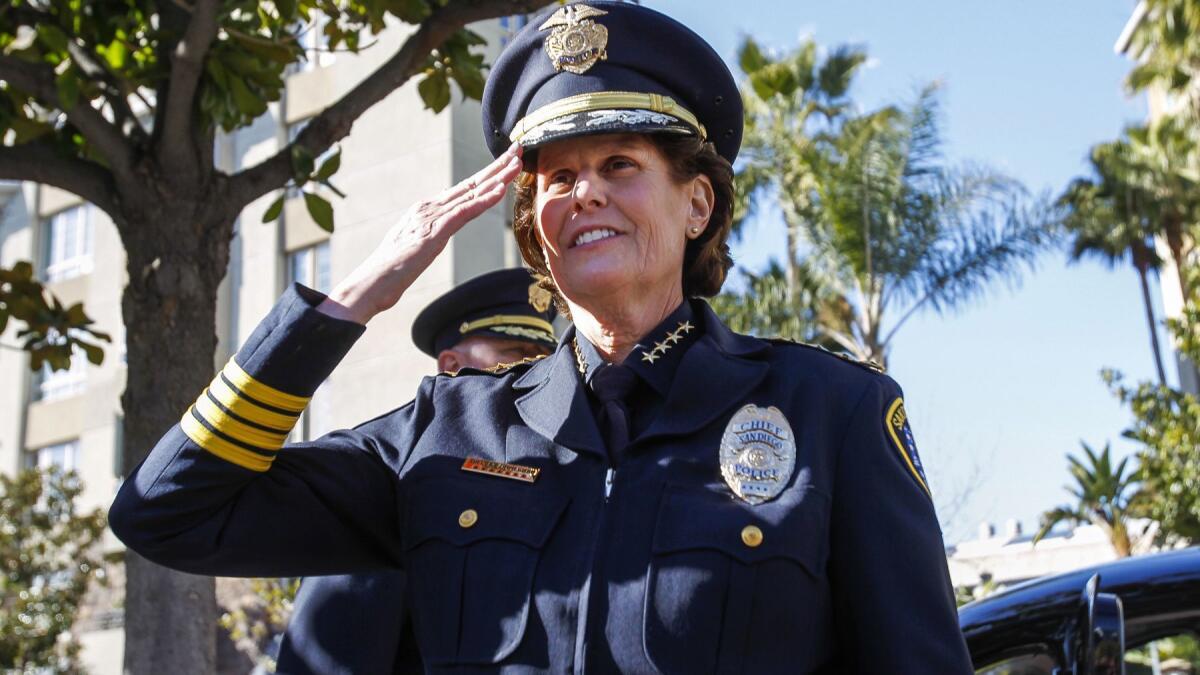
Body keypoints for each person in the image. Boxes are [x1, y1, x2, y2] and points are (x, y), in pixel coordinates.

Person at [109, 2, 973, 671]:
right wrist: (349, 301)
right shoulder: (445, 433)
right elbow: (168, 513)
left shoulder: (831, 411)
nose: (583, 194)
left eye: (619, 166)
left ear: (697, 203)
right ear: (535, 229)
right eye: (558, 177)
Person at [274, 267, 558, 674]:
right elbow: (333, 652)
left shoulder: (552, 472)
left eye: (546, 361)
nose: (535, 373)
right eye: (514, 354)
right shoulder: (395, 471)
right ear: (452, 366)